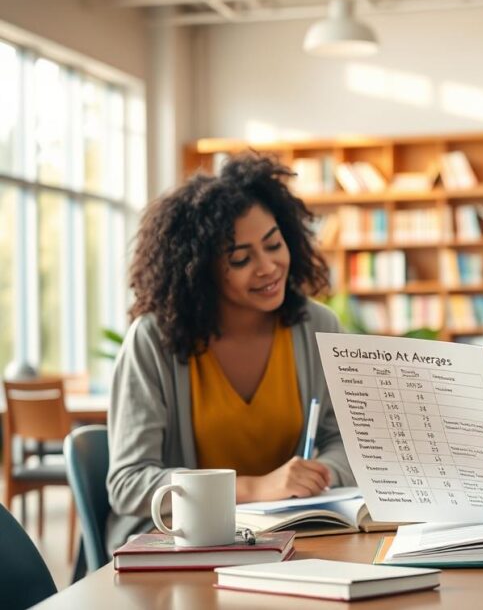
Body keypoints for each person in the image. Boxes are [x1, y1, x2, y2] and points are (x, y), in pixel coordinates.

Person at [106, 152, 354, 551]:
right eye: (241, 258)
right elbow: (128, 483)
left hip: (294, 542)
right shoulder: (152, 340)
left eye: (274, 244)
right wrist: (255, 488)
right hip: (181, 546)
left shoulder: (317, 327)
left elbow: (345, 439)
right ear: (199, 268)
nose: (268, 267)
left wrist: (320, 472)